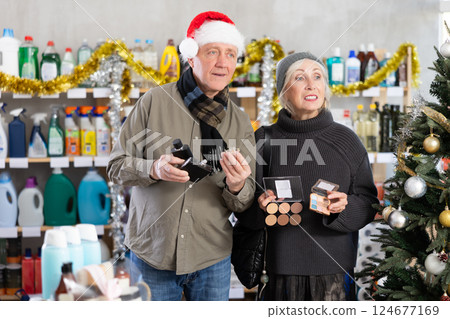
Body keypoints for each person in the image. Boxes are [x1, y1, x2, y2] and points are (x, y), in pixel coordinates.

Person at [107, 11, 256, 301]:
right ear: (191, 57)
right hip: (153, 253)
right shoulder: (154, 102)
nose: (223, 62)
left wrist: (238, 185)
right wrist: (153, 169)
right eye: (212, 51)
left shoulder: (239, 121)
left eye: (230, 54)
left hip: (211, 257)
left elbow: (245, 198)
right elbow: (115, 166)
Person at [251, 52, 378, 301]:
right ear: (283, 92)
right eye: (299, 78)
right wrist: (261, 205)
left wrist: (344, 207)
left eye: (317, 76)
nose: (311, 84)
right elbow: (245, 210)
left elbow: (368, 203)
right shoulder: (264, 140)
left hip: (334, 274)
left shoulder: (346, 140)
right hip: (279, 272)